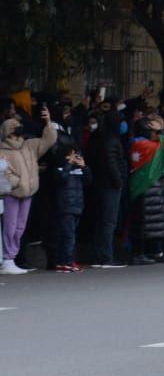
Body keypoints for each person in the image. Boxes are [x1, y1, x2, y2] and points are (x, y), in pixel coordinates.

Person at [0, 111, 58, 274]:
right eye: (14, 127)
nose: (18, 129)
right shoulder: (2, 150)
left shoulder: (29, 145)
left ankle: (12, 256)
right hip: (12, 193)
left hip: (28, 193)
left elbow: (48, 140)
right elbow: (3, 173)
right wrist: (16, 182)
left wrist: (48, 123)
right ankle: (7, 259)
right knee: (9, 227)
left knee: (20, 227)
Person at [128, 115, 164, 265]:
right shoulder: (145, 144)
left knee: (155, 222)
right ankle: (139, 253)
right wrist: (162, 135)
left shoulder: (143, 143)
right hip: (145, 186)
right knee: (142, 222)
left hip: (152, 186)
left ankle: (154, 251)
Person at [86, 111, 128, 267]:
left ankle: (97, 256)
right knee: (108, 222)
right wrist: (119, 183)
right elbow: (112, 165)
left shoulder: (96, 137)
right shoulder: (111, 140)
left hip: (97, 184)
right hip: (109, 186)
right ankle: (106, 256)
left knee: (99, 221)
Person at [53, 147, 91, 273]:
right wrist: (68, 164)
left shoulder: (79, 169)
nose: (75, 157)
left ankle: (62, 262)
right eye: (72, 155)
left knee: (68, 235)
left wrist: (84, 167)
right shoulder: (59, 167)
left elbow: (89, 181)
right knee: (69, 236)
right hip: (65, 206)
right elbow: (61, 178)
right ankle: (67, 262)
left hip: (78, 206)